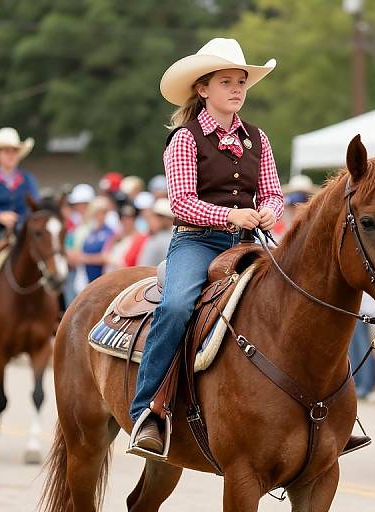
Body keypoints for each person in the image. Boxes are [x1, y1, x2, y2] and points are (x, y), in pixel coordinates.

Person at [129, 38, 284, 455]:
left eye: (242, 82)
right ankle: (148, 410)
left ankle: (327, 409)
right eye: (226, 81)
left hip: (248, 242)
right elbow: (180, 202)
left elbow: (272, 192)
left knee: (301, 293)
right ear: (203, 89)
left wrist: (269, 211)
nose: (237, 89)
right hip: (197, 242)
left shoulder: (258, 137)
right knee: (177, 305)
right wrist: (230, 216)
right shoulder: (185, 139)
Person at [0, 128, 39, 274]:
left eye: (14, 151)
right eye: (6, 151)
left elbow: (35, 207)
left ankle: (61, 297)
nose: (11, 155)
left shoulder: (28, 179)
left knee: (50, 264)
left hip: (23, 233)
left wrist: (21, 220)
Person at [136, 198, 174, 267]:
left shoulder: (160, 240)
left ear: (166, 220)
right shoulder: (157, 237)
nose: (151, 220)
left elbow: (143, 269)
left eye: (155, 217)